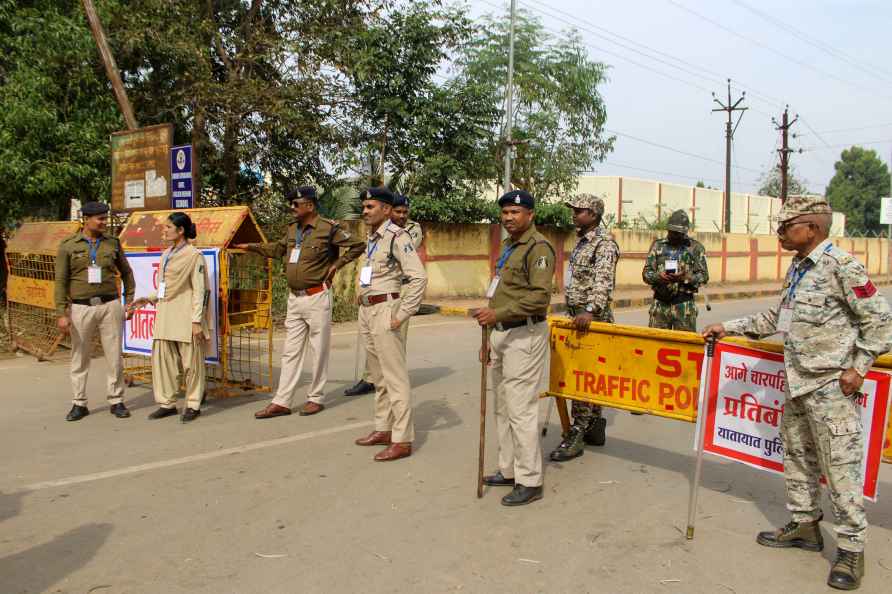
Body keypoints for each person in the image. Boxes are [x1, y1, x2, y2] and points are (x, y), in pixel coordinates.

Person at [702, 195, 892, 591]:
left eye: (787, 226)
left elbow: (881, 323)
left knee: (839, 470)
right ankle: (805, 526)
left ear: (813, 228)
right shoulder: (799, 268)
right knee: (798, 458)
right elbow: (778, 317)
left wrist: (858, 368)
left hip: (830, 387)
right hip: (798, 383)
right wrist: (730, 326)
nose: (780, 233)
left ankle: (851, 550)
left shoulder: (842, 267)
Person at [235, 186, 364, 418]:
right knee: (290, 351)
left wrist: (336, 265)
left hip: (317, 297)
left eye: (296, 204)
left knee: (318, 349)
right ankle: (282, 402)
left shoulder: (328, 229)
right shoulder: (292, 229)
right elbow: (278, 249)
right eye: (291, 204)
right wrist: (251, 246)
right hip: (295, 299)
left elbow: (357, 245)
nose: (292, 208)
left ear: (310, 206)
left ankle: (315, 398)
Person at [474, 189, 554, 506]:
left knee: (520, 409)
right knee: (502, 406)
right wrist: (490, 334)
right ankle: (509, 469)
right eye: (505, 213)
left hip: (526, 333)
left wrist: (498, 315)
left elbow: (539, 297)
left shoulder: (539, 248)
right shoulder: (508, 246)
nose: (508, 218)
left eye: (515, 213)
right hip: (501, 332)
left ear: (530, 215)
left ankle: (530, 479)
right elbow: (499, 294)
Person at [353, 188, 427, 462]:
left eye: (370, 206)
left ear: (385, 210)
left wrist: (403, 313)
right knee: (378, 376)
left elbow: (418, 277)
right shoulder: (372, 237)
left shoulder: (398, 236)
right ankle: (383, 428)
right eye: (364, 206)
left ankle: (402, 439)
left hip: (387, 309)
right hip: (368, 310)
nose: (365, 211)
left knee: (395, 377)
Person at [549, 194, 618, 461]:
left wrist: (590, 311)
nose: (574, 214)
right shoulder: (582, 242)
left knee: (583, 376)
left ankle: (577, 430)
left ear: (594, 214)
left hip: (591, 319)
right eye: (574, 210)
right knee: (590, 375)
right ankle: (594, 427)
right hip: (577, 315)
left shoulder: (604, 244)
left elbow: (603, 280)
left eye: (579, 211)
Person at [55, 200, 135, 421]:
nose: (104, 222)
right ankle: (79, 403)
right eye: (100, 219)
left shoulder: (113, 243)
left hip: (110, 306)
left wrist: (128, 301)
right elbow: (60, 281)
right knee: (80, 356)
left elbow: (127, 273)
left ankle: (116, 400)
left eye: (105, 218)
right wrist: (61, 313)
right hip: (81, 308)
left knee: (114, 355)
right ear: (86, 220)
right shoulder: (68, 246)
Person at [130, 212, 210, 423]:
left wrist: (196, 321)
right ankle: (167, 404)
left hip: (186, 317)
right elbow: (165, 288)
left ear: (180, 230)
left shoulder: (194, 256)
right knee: (164, 362)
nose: (163, 231)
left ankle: (193, 403)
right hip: (165, 314)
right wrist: (148, 298)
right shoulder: (166, 254)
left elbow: (200, 291)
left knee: (192, 364)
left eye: (167, 227)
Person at [345, 193, 424, 397]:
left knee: (395, 339)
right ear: (390, 210)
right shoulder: (374, 232)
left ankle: (392, 381)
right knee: (373, 341)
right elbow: (370, 260)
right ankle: (371, 378)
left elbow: (403, 258)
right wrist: (363, 289)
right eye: (399, 211)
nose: (402, 215)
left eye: (405, 212)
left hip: (399, 289)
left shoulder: (408, 231)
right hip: (375, 290)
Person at [642, 209, 708, 331]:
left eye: (678, 233)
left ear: (684, 232)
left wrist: (685, 278)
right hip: (660, 305)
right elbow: (646, 274)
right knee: (656, 344)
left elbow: (704, 276)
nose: (675, 235)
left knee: (684, 346)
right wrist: (659, 277)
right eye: (672, 232)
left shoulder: (695, 248)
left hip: (684, 306)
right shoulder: (658, 246)